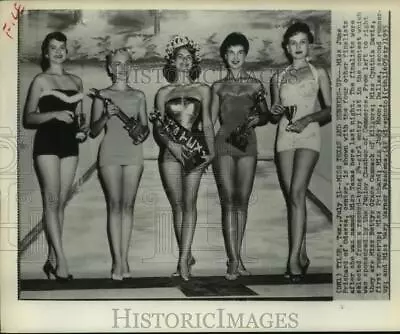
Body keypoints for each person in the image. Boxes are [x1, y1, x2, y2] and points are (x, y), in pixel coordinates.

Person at [23, 31, 88, 281]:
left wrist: (82, 129)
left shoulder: (76, 81)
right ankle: (61, 260)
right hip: (47, 143)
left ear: (66, 52)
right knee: (51, 201)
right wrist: (54, 115)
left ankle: (51, 259)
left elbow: (80, 117)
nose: (59, 51)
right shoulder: (40, 80)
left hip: (70, 144)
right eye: (53, 47)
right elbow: (28, 118)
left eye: (62, 47)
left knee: (60, 203)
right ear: (46, 52)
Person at [270, 22, 332, 283]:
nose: (297, 47)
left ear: (309, 45)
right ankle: (303, 254)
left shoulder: (319, 72)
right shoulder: (278, 77)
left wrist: (307, 120)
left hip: (309, 135)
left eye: (302, 42)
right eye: (293, 43)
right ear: (286, 47)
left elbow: (329, 109)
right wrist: (274, 111)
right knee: (292, 198)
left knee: (297, 192)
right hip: (284, 135)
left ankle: (293, 259)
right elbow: (275, 112)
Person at [152, 36, 215, 281]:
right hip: (169, 152)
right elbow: (159, 127)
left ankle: (183, 260)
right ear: (172, 61)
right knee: (177, 205)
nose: (185, 61)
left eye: (189, 57)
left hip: (195, 150)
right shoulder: (162, 92)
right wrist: (172, 146)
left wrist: (211, 152)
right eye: (180, 57)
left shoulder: (202, 90)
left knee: (190, 203)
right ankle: (185, 254)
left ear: (194, 61)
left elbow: (208, 122)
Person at [211, 32, 270, 280]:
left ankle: (238, 256)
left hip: (248, 145)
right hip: (223, 144)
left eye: (240, 53)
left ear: (245, 55)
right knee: (228, 201)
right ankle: (233, 260)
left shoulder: (256, 85)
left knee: (242, 201)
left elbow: (267, 115)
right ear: (225, 56)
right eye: (231, 53)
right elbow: (209, 121)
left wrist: (260, 118)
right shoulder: (217, 87)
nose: (235, 57)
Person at [90, 48, 149, 280]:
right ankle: (117, 262)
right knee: (114, 205)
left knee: (128, 206)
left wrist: (140, 133)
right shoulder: (101, 95)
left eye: (125, 64)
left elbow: (147, 130)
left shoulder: (139, 95)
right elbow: (94, 131)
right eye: (116, 64)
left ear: (130, 66)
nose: (121, 68)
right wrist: (106, 114)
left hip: (133, 154)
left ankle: (125, 258)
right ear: (109, 68)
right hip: (109, 153)